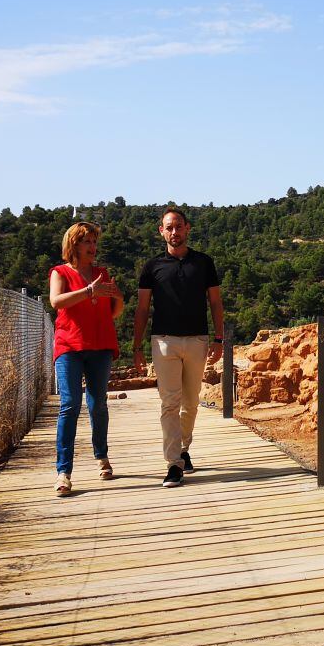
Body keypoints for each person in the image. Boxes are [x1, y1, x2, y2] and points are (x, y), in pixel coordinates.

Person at [133, 207, 224, 488]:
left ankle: (183, 448)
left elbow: (216, 303)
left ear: (187, 228)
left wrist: (219, 339)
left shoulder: (204, 263)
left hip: (197, 340)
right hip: (164, 341)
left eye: (178, 227)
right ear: (161, 231)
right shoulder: (151, 268)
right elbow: (142, 308)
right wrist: (137, 346)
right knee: (169, 403)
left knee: (191, 402)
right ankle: (173, 464)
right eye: (168, 228)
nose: (174, 232)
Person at [49, 221, 124, 495]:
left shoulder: (102, 273)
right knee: (70, 404)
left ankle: (102, 456)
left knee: (97, 404)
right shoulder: (60, 272)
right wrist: (89, 291)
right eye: (87, 242)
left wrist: (118, 297)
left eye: (94, 241)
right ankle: (63, 472)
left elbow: (113, 312)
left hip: (100, 344)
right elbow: (56, 302)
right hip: (69, 345)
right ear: (74, 245)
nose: (92, 247)